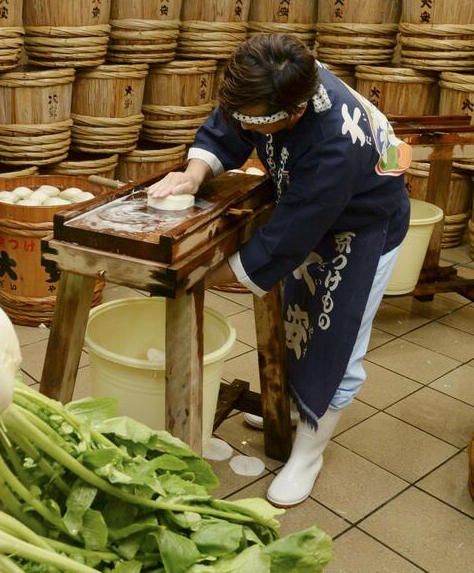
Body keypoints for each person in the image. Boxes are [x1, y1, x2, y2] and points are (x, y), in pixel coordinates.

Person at [148, 34, 411, 508]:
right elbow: (228, 125)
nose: (245, 126)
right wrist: (193, 173)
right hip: (315, 209)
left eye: (257, 122)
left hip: (364, 225)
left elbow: (283, 242)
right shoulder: (274, 77)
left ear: (293, 113)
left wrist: (191, 273)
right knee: (299, 322)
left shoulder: (332, 145)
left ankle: (309, 453)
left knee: (337, 341)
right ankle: (292, 409)